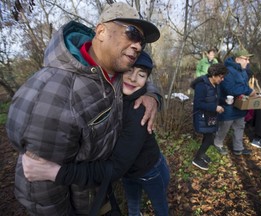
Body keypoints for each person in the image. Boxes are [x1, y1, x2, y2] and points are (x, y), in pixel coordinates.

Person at [5, 2, 161, 216]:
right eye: (132, 33)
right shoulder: (54, 97)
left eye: (141, 41)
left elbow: (140, 77)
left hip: (101, 195)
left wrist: (152, 96)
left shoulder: (113, 70)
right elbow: (42, 193)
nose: (138, 45)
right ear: (101, 31)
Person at [22, 51, 170, 216]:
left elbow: (115, 167)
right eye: (129, 71)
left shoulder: (138, 111)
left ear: (146, 80)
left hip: (150, 170)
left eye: (141, 75)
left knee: (160, 206)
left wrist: (55, 172)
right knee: (133, 205)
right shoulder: (110, 95)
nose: (133, 78)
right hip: (129, 173)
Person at [214, 49, 257, 156]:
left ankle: (238, 148)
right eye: (246, 59)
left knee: (240, 125)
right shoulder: (227, 71)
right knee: (225, 125)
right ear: (237, 59)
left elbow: (244, 85)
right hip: (228, 104)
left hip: (241, 103)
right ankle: (217, 143)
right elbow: (230, 89)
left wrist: (250, 92)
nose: (248, 62)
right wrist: (249, 91)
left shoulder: (243, 71)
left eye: (248, 59)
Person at [191, 63, 228, 170]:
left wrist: (223, 101)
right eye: (221, 77)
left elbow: (213, 98)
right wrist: (215, 108)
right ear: (214, 75)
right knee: (209, 138)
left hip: (210, 117)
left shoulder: (215, 85)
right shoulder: (202, 85)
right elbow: (198, 104)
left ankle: (201, 154)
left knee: (209, 136)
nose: (222, 79)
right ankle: (197, 159)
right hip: (202, 117)